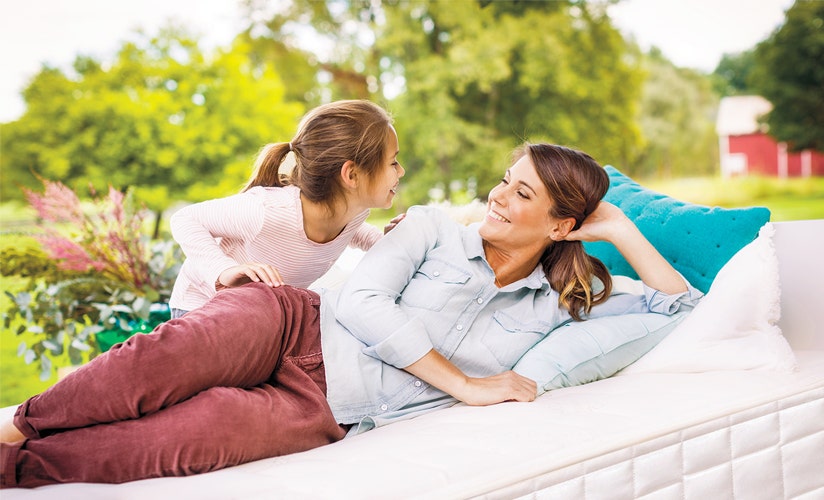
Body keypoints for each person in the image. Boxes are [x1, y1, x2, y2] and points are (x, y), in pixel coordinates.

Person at [0, 143, 702, 487]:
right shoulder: (430, 225)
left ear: (560, 224)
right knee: (155, 363)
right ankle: (22, 419)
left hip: (326, 409)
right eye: (504, 181)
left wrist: (618, 230)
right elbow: (362, 299)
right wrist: (462, 384)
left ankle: (16, 469)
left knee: (165, 447)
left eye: (522, 196)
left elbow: (683, 305)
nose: (497, 197)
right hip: (293, 323)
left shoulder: (562, 303)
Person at [168, 99, 405, 318]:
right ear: (352, 175)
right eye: (393, 162)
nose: (401, 171)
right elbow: (185, 219)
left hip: (252, 314)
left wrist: (387, 241)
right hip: (199, 308)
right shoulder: (268, 211)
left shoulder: (353, 211)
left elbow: (353, 231)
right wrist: (224, 271)